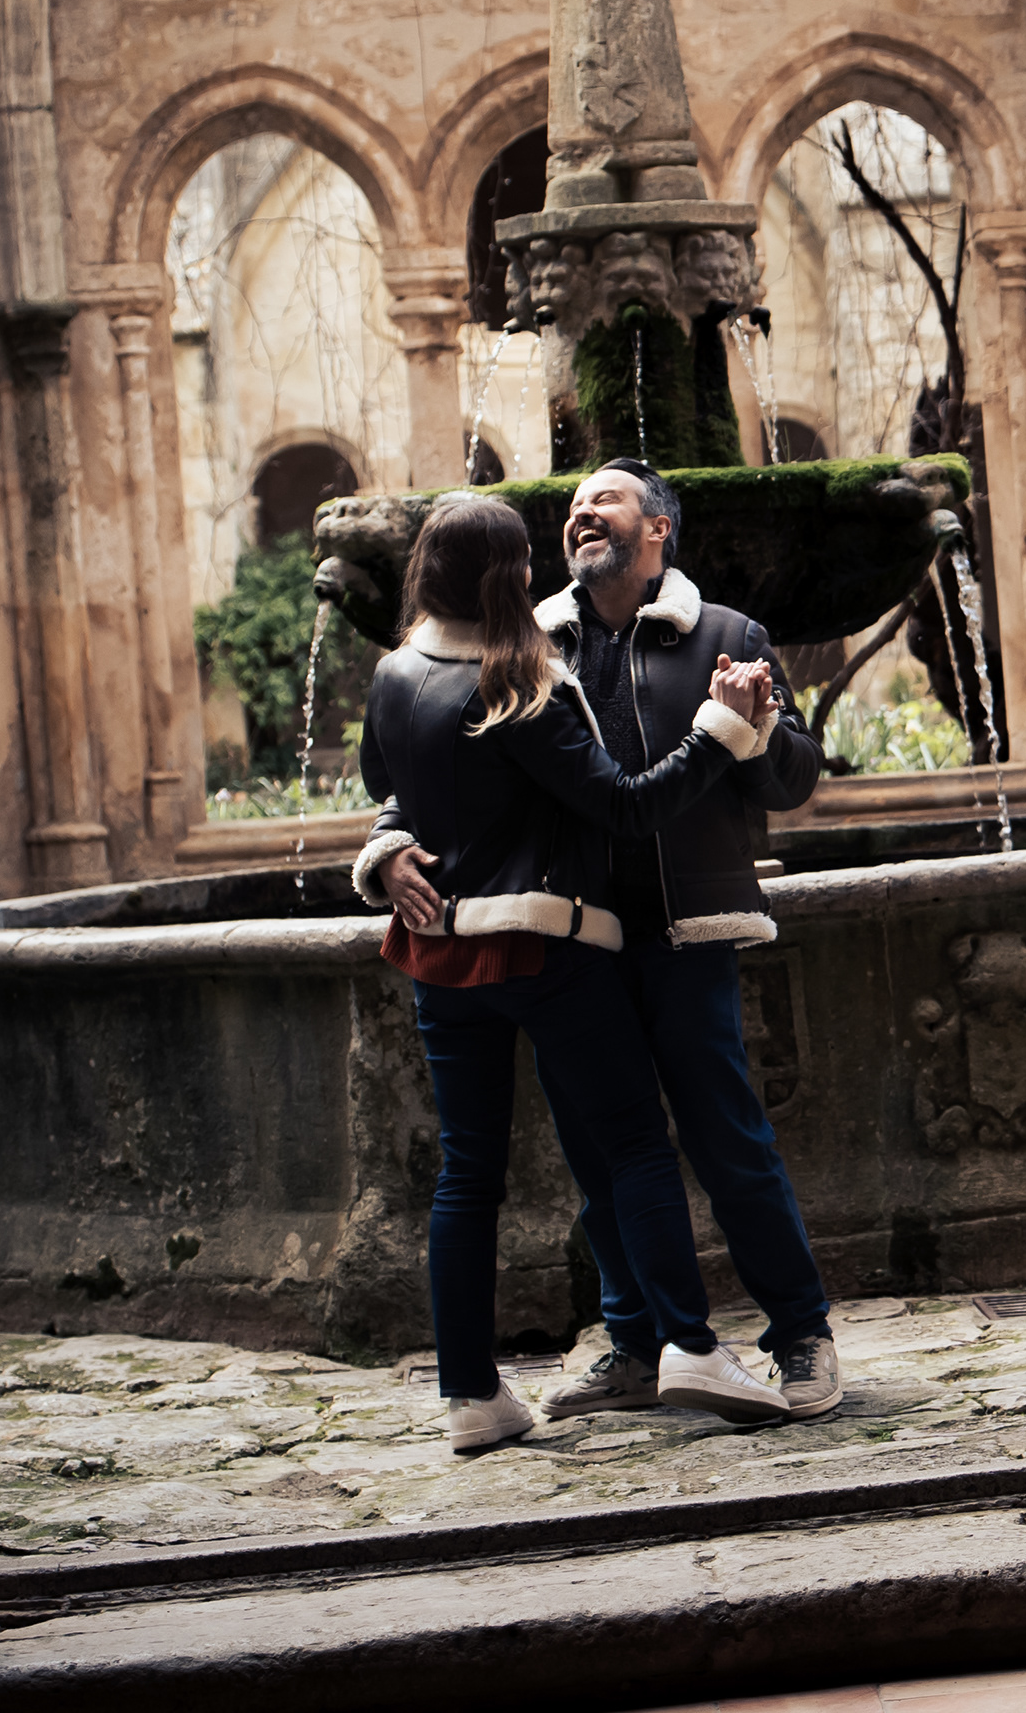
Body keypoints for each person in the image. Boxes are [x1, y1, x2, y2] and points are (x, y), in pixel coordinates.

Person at [364, 459, 844, 1425]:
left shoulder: (728, 636)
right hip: (568, 941)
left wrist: (750, 724)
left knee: (727, 1139)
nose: (582, 512)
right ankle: (641, 1345)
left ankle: (800, 1335)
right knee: (603, 1160)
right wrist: (384, 851)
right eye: (574, 505)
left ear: (657, 527)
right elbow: (421, 781)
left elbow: (794, 779)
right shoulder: (526, 640)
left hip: (678, 927)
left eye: (606, 499)